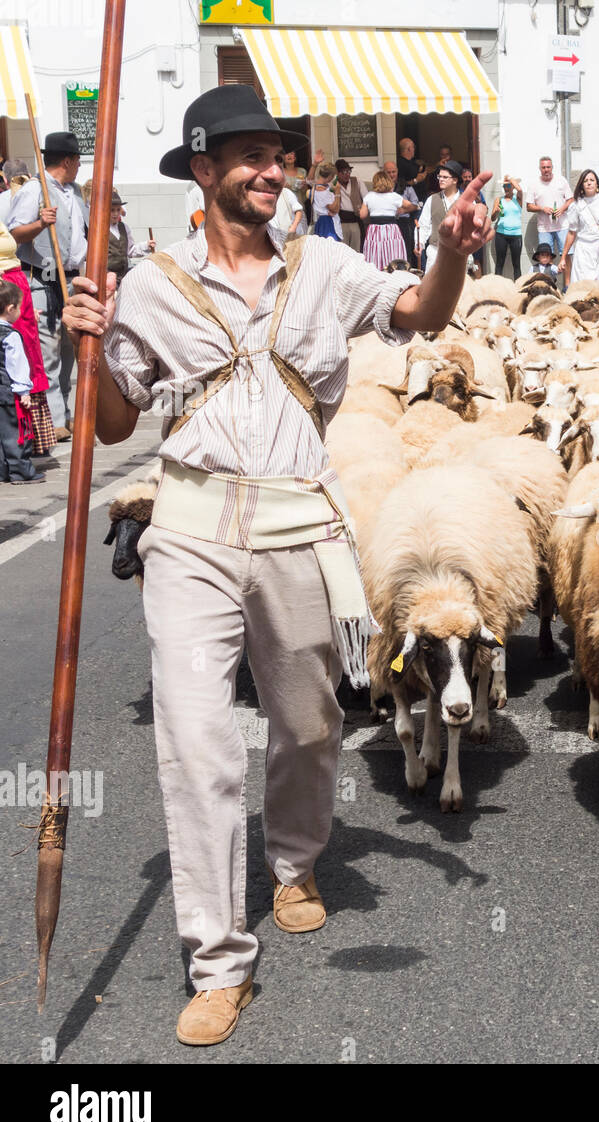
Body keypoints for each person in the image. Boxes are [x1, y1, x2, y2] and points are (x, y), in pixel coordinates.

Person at [61, 83, 493, 1048]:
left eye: (278, 156)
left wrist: (456, 248)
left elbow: (420, 312)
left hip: (301, 526)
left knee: (308, 723)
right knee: (197, 741)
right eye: (247, 156)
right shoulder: (149, 285)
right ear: (203, 171)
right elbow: (117, 421)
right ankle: (218, 956)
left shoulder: (327, 267)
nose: (270, 171)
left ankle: (294, 860)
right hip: (193, 527)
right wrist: (81, 345)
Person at [4, 130, 85, 439]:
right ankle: (53, 419)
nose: (80, 166)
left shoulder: (74, 191)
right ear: (67, 160)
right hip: (42, 279)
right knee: (47, 351)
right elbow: (14, 235)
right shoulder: (35, 190)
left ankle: (65, 413)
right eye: (78, 160)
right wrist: (40, 223)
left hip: (70, 278)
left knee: (67, 351)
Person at [0, 217, 55, 456]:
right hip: (5, 294)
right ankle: (14, 443)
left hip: (13, 289)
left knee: (28, 358)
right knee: (13, 359)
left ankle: (31, 440)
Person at [0, 279, 44, 484]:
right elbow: (16, 365)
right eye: (19, 307)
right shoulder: (10, 335)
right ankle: (21, 471)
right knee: (15, 433)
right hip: (8, 393)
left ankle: (2, 471)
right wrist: (23, 391)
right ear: (10, 309)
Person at [561, 168, 599, 287]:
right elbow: (571, 232)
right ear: (581, 185)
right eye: (585, 181)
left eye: (592, 180)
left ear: (597, 183)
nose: (589, 182)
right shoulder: (576, 205)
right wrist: (564, 256)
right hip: (583, 250)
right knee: (583, 286)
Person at [360, 169, 418, 270]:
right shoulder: (394, 197)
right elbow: (412, 206)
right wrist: (402, 211)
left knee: (375, 253)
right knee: (393, 251)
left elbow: (362, 215)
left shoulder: (369, 196)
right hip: (391, 228)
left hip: (375, 229)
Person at [525, 156, 573, 267]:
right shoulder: (534, 184)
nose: (546, 169)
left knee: (566, 256)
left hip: (563, 226)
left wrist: (562, 209)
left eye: (548, 167)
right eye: (543, 167)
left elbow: (571, 199)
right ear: (539, 168)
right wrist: (542, 208)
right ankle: (549, 282)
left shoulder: (561, 180)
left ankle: (567, 284)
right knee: (545, 258)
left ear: (552, 167)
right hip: (544, 228)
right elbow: (528, 206)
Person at [416, 161, 463, 270]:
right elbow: (423, 226)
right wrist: (419, 243)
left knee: (457, 286)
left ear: (455, 180)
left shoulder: (467, 201)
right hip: (435, 252)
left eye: (445, 177)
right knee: (433, 286)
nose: (441, 179)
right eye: (439, 176)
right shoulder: (432, 199)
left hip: (458, 253)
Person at [106, 191, 155, 281]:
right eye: (112, 210)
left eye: (118, 210)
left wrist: (146, 245)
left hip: (123, 276)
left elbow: (130, 251)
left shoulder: (124, 227)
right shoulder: (101, 229)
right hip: (107, 277)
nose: (116, 214)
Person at [490, 173, 525, 279]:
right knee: (499, 263)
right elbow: (492, 218)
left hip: (516, 235)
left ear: (513, 186)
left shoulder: (518, 198)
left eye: (508, 186)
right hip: (501, 234)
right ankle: (497, 289)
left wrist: (510, 179)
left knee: (517, 264)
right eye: (504, 186)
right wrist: (496, 211)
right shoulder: (499, 200)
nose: (506, 188)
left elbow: (520, 190)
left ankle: (518, 289)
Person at [459, 164, 489, 275]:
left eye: (469, 177)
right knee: (462, 260)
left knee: (476, 260)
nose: (467, 179)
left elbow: (486, 209)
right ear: (461, 177)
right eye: (465, 177)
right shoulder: (457, 192)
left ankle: (478, 284)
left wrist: (478, 201)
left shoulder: (478, 193)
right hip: (461, 232)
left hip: (476, 231)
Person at [334, 160, 365, 251]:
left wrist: (362, 209)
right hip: (340, 221)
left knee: (356, 250)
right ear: (337, 173)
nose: (347, 174)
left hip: (355, 219)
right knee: (342, 250)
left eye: (348, 171)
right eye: (343, 172)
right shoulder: (333, 184)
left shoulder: (357, 181)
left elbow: (366, 198)